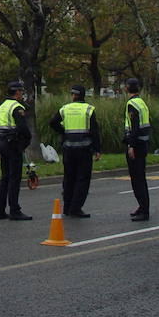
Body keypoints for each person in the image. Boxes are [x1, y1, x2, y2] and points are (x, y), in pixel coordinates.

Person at [49, 84, 101, 218]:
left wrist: (64, 132)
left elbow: (53, 122)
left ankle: (67, 207)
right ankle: (76, 208)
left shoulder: (65, 108)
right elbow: (95, 131)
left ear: (73, 95)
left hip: (68, 149)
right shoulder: (88, 110)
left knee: (69, 178)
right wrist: (97, 149)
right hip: (84, 149)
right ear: (83, 95)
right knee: (82, 179)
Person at [0, 81, 33, 221]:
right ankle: (15, 210)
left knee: (5, 177)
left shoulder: (2, 107)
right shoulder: (17, 107)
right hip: (13, 144)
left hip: (2, 143)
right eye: (21, 92)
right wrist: (25, 142)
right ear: (16, 92)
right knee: (14, 178)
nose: (22, 94)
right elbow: (23, 128)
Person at [124, 77, 151, 221]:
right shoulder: (141, 103)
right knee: (140, 177)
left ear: (127, 88)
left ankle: (144, 210)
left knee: (137, 179)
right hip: (143, 143)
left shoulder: (132, 104)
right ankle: (142, 207)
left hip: (137, 145)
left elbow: (134, 127)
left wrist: (131, 145)